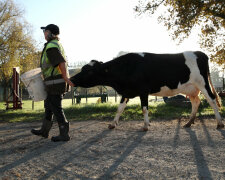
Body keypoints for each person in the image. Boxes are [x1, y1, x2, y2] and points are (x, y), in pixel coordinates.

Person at [31, 24, 74, 142]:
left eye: (46, 31)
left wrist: (65, 77)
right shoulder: (56, 44)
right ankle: (44, 131)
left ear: (51, 33)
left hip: (56, 82)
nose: (44, 34)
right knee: (49, 106)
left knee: (56, 107)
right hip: (53, 82)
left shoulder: (51, 46)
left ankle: (64, 133)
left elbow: (61, 62)